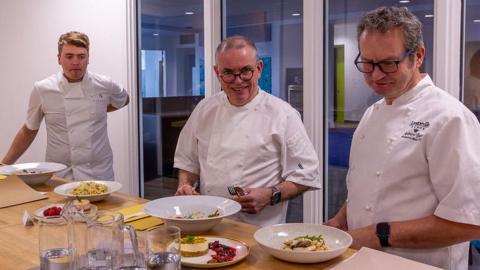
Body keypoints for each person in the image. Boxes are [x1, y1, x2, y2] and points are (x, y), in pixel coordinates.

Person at [325, 6, 480, 270]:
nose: (375, 75)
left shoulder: (449, 118)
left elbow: (468, 222)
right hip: (362, 260)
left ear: (417, 56)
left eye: (388, 63)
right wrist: (341, 221)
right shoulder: (371, 113)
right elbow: (365, 188)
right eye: (367, 63)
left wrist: (378, 234)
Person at [174, 35, 321, 226]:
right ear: (217, 72)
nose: (238, 81)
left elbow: (306, 175)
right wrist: (185, 185)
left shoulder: (283, 114)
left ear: (259, 69)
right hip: (209, 223)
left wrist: (270, 195)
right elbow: (188, 162)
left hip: (260, 229)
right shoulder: (204, 109)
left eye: (245, 71)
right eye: (228, 73)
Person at [1, 31, 129, 181]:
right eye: (69, 56)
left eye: (81, 56)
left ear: (88, 59)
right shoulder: (43, 89)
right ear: (59, 59)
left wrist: (101, 108)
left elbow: (124, 99)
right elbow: (29, 130)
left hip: (98, 172)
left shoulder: (105, 84)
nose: (75, 62)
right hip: (60, 172)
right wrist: (4, 165)